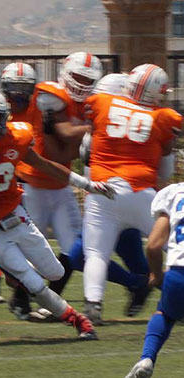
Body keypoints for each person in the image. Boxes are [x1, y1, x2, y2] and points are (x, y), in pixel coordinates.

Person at [0, 88, 115, 340]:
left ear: (4, 119)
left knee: (56, 273)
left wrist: (87, 184)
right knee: (34, 284)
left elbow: (45, 165)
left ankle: (18, 269)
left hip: (16, 215)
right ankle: (79, 322)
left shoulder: (17, 137)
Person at [82, 63, 182, 325]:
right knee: (177, 245)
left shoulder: (102, 102)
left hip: (102, 189)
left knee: (96, 252)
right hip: (140, 191)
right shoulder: (164, 117)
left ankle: (93, 305)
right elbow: (166, 168)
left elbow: (89, 142)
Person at [14, 52, 103, 320]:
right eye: (77, 76)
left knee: (73, 247)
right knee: (31, 247)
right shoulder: (51, 95)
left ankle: (50, 303)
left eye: (87, 79)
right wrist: (97, 127)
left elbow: (67, 153)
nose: (81, 83)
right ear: (66, 73)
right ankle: (19, 299)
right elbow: (61, 143)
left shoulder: (85, 106)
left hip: (60, 183)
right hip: (33, 181)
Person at [0, 62, 37, 314]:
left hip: (30, 181)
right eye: (14, 87)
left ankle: (20, 294)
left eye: (23, 88)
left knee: (24, 240)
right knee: (0, 235)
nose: (18, 93)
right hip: (2, 181)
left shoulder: (40, 109)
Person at [125, 183, 184, 378]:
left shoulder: (174, 193)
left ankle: (147, 358)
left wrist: (157, 275)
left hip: (178, 273)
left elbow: (153, 246)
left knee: (166, 314)